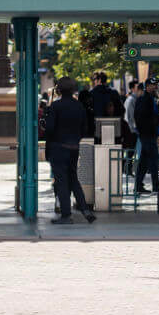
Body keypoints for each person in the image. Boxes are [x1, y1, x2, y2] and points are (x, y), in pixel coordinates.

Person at [46, 77, 96, 224]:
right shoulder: (79, 106)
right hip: (74, 148)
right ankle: (85, 210)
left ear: (59, 90)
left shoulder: (56, 106)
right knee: (73, 179)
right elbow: (84, 128)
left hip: (58, 148)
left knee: (61, 181)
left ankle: (66, 215)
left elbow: (49, 129)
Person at [131, 79, 159, 195]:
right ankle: (156, 186)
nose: (155, 87)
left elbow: (156, 116)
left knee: (144, 161)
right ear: (147, 86)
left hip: (149, 134)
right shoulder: (144, 99)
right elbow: (140, 117)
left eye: (155, 85)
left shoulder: (152, 99)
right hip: (147, 134)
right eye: (152, 85)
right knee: (154, 159)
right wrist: (148, 129)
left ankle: (138, 186)